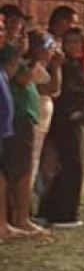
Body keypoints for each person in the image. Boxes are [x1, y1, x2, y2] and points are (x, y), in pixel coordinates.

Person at [38, 26, 84, 226]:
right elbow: (65, 92)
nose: (74, 46)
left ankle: (57, 209)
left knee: (68, 165)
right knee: (71, 165)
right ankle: (63, 212)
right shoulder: (65, 65)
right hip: (66, 119)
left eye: (77, 42)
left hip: (75, 118)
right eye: (69, 42)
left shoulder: (81, 64)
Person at [3, 43, 42, 236]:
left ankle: (20, 218)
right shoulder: (11, 53)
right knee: (17, 171)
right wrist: (37, 57)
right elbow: (23, 78)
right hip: (16, 119)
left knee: (23, 169)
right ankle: (19, 218)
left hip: (22, 119)